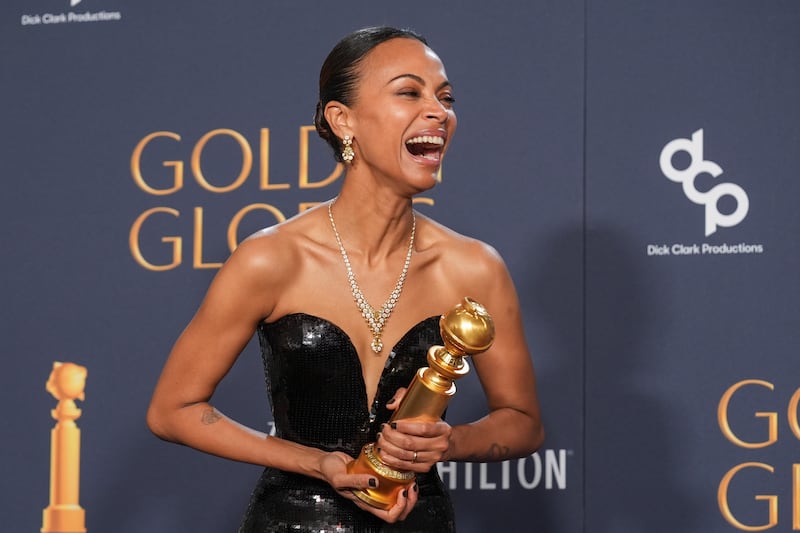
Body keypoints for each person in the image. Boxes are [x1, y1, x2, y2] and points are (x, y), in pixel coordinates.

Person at [147, 26, 544, 532]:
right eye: (409, 92)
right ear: (343, 120)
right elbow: (172, 410)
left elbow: (523, 423)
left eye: (445, 97)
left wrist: (450, 441)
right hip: (291, 521)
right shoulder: (271, 258)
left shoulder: (475, 267)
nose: (438, 112)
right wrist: (315, 463)